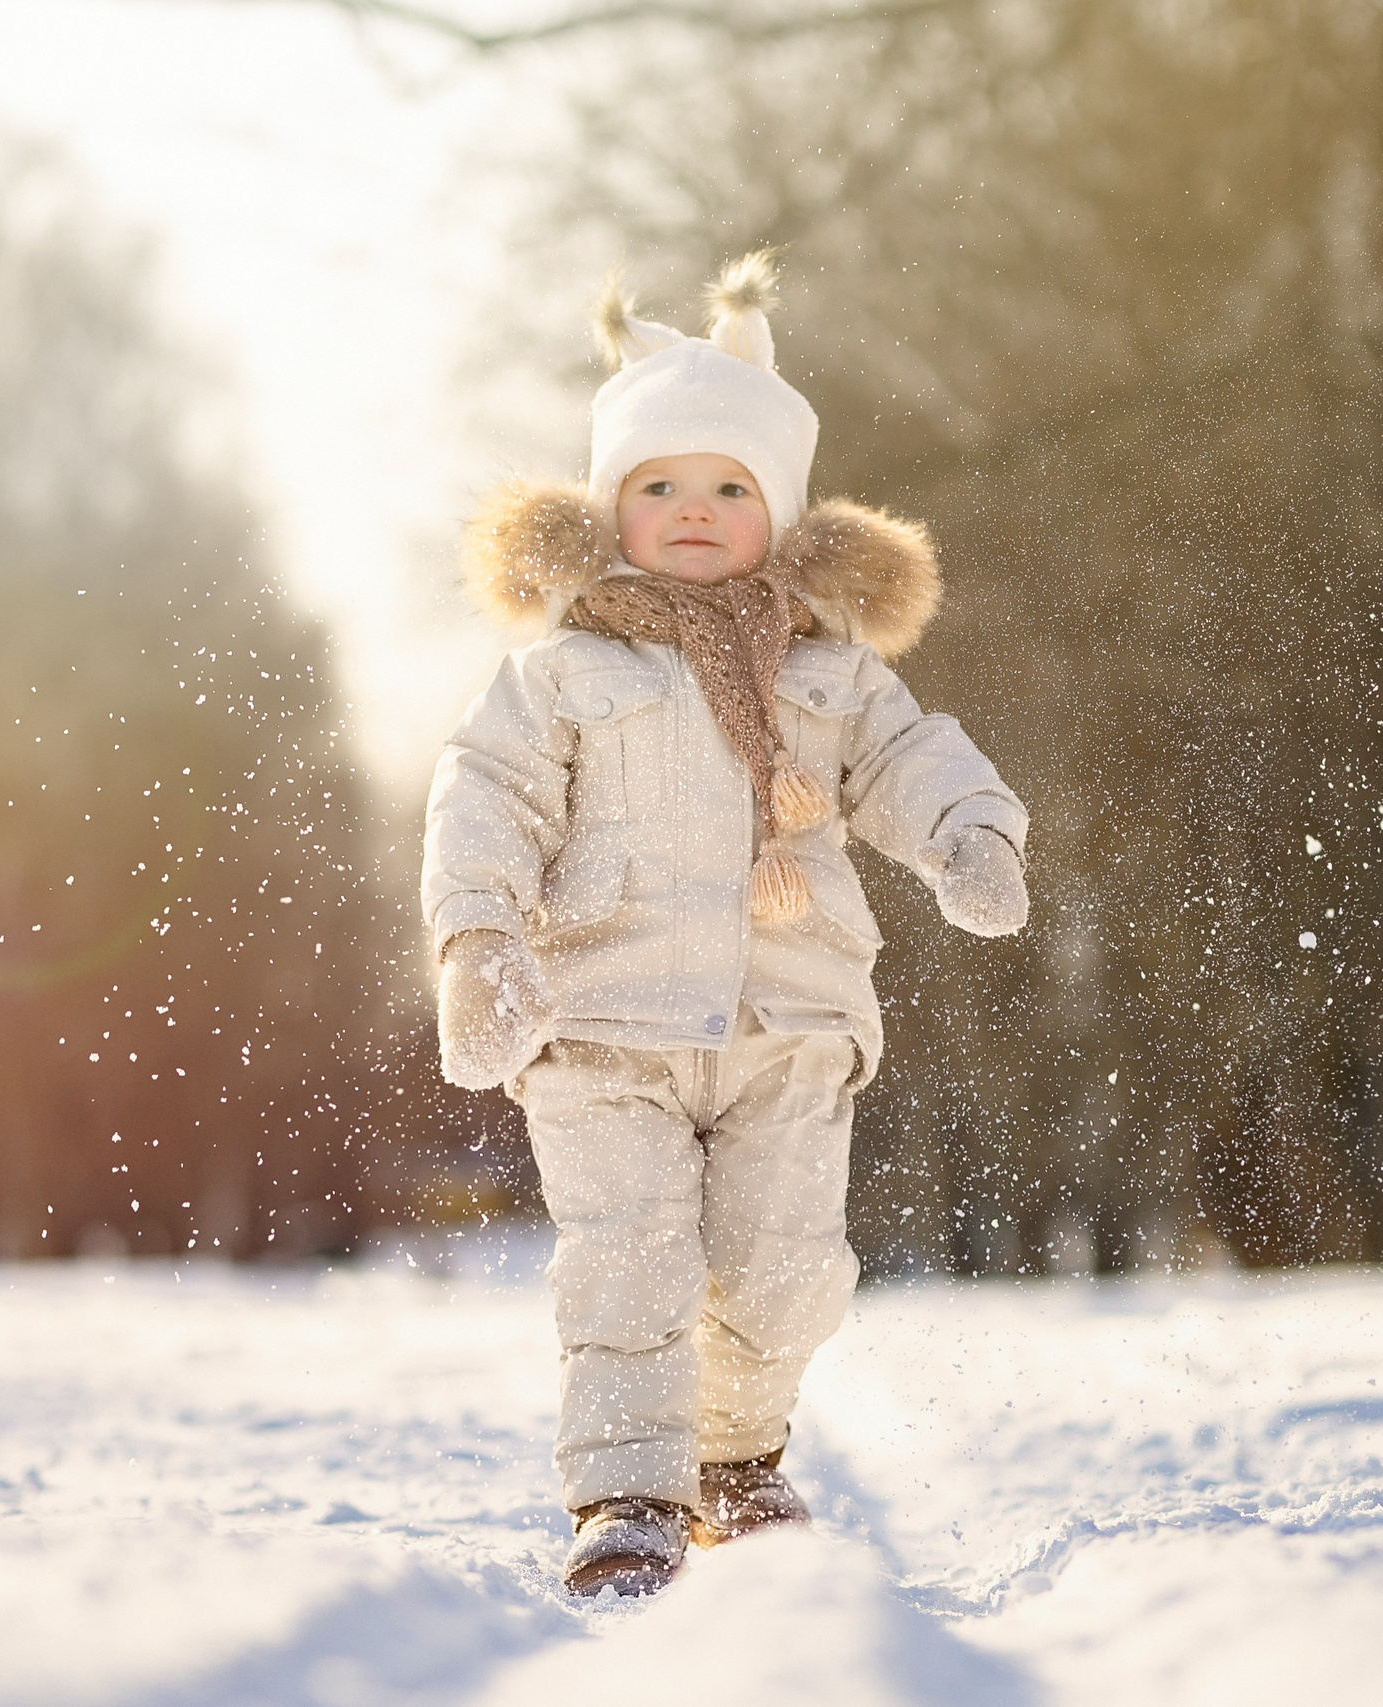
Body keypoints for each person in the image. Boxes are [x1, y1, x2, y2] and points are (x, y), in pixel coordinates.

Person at [422, 251, 1029, 1597]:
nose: (692, 512)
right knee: (630, 1264)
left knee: (780, 1266)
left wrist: (967, 834)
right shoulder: (560, 674)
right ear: (608, 509)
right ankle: (629, 1493)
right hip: (606, 1025)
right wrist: (478, 940)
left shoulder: (834, 675)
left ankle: (738, 1462)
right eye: (657, 486)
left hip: (790, 1023)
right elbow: (486, 803)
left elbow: (912, 758)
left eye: (727, 488)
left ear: (783, 515)